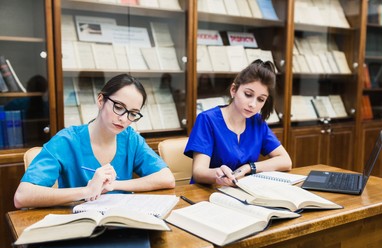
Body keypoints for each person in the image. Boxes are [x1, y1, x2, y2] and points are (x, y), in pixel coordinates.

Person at [14, 74, 175, 208]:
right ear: (100, 100)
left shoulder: (130, 139)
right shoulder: (67, 140)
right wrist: (87, 191)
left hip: (123, 225)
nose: (124, 119)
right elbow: (22, 196)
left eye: (133, 113)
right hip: (79, 227)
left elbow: (166, 178)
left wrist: (114, 185)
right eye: (118, 107)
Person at [184, 59, 292, 186]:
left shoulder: (257, 122)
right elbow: (198, 172)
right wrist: (217, 175)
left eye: (261, 99)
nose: (253, 104)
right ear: (233, 90)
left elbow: (286, 161)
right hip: (208, 193)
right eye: (248, 94)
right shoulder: (207, 120)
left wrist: (248, 168)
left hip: (241, 192)